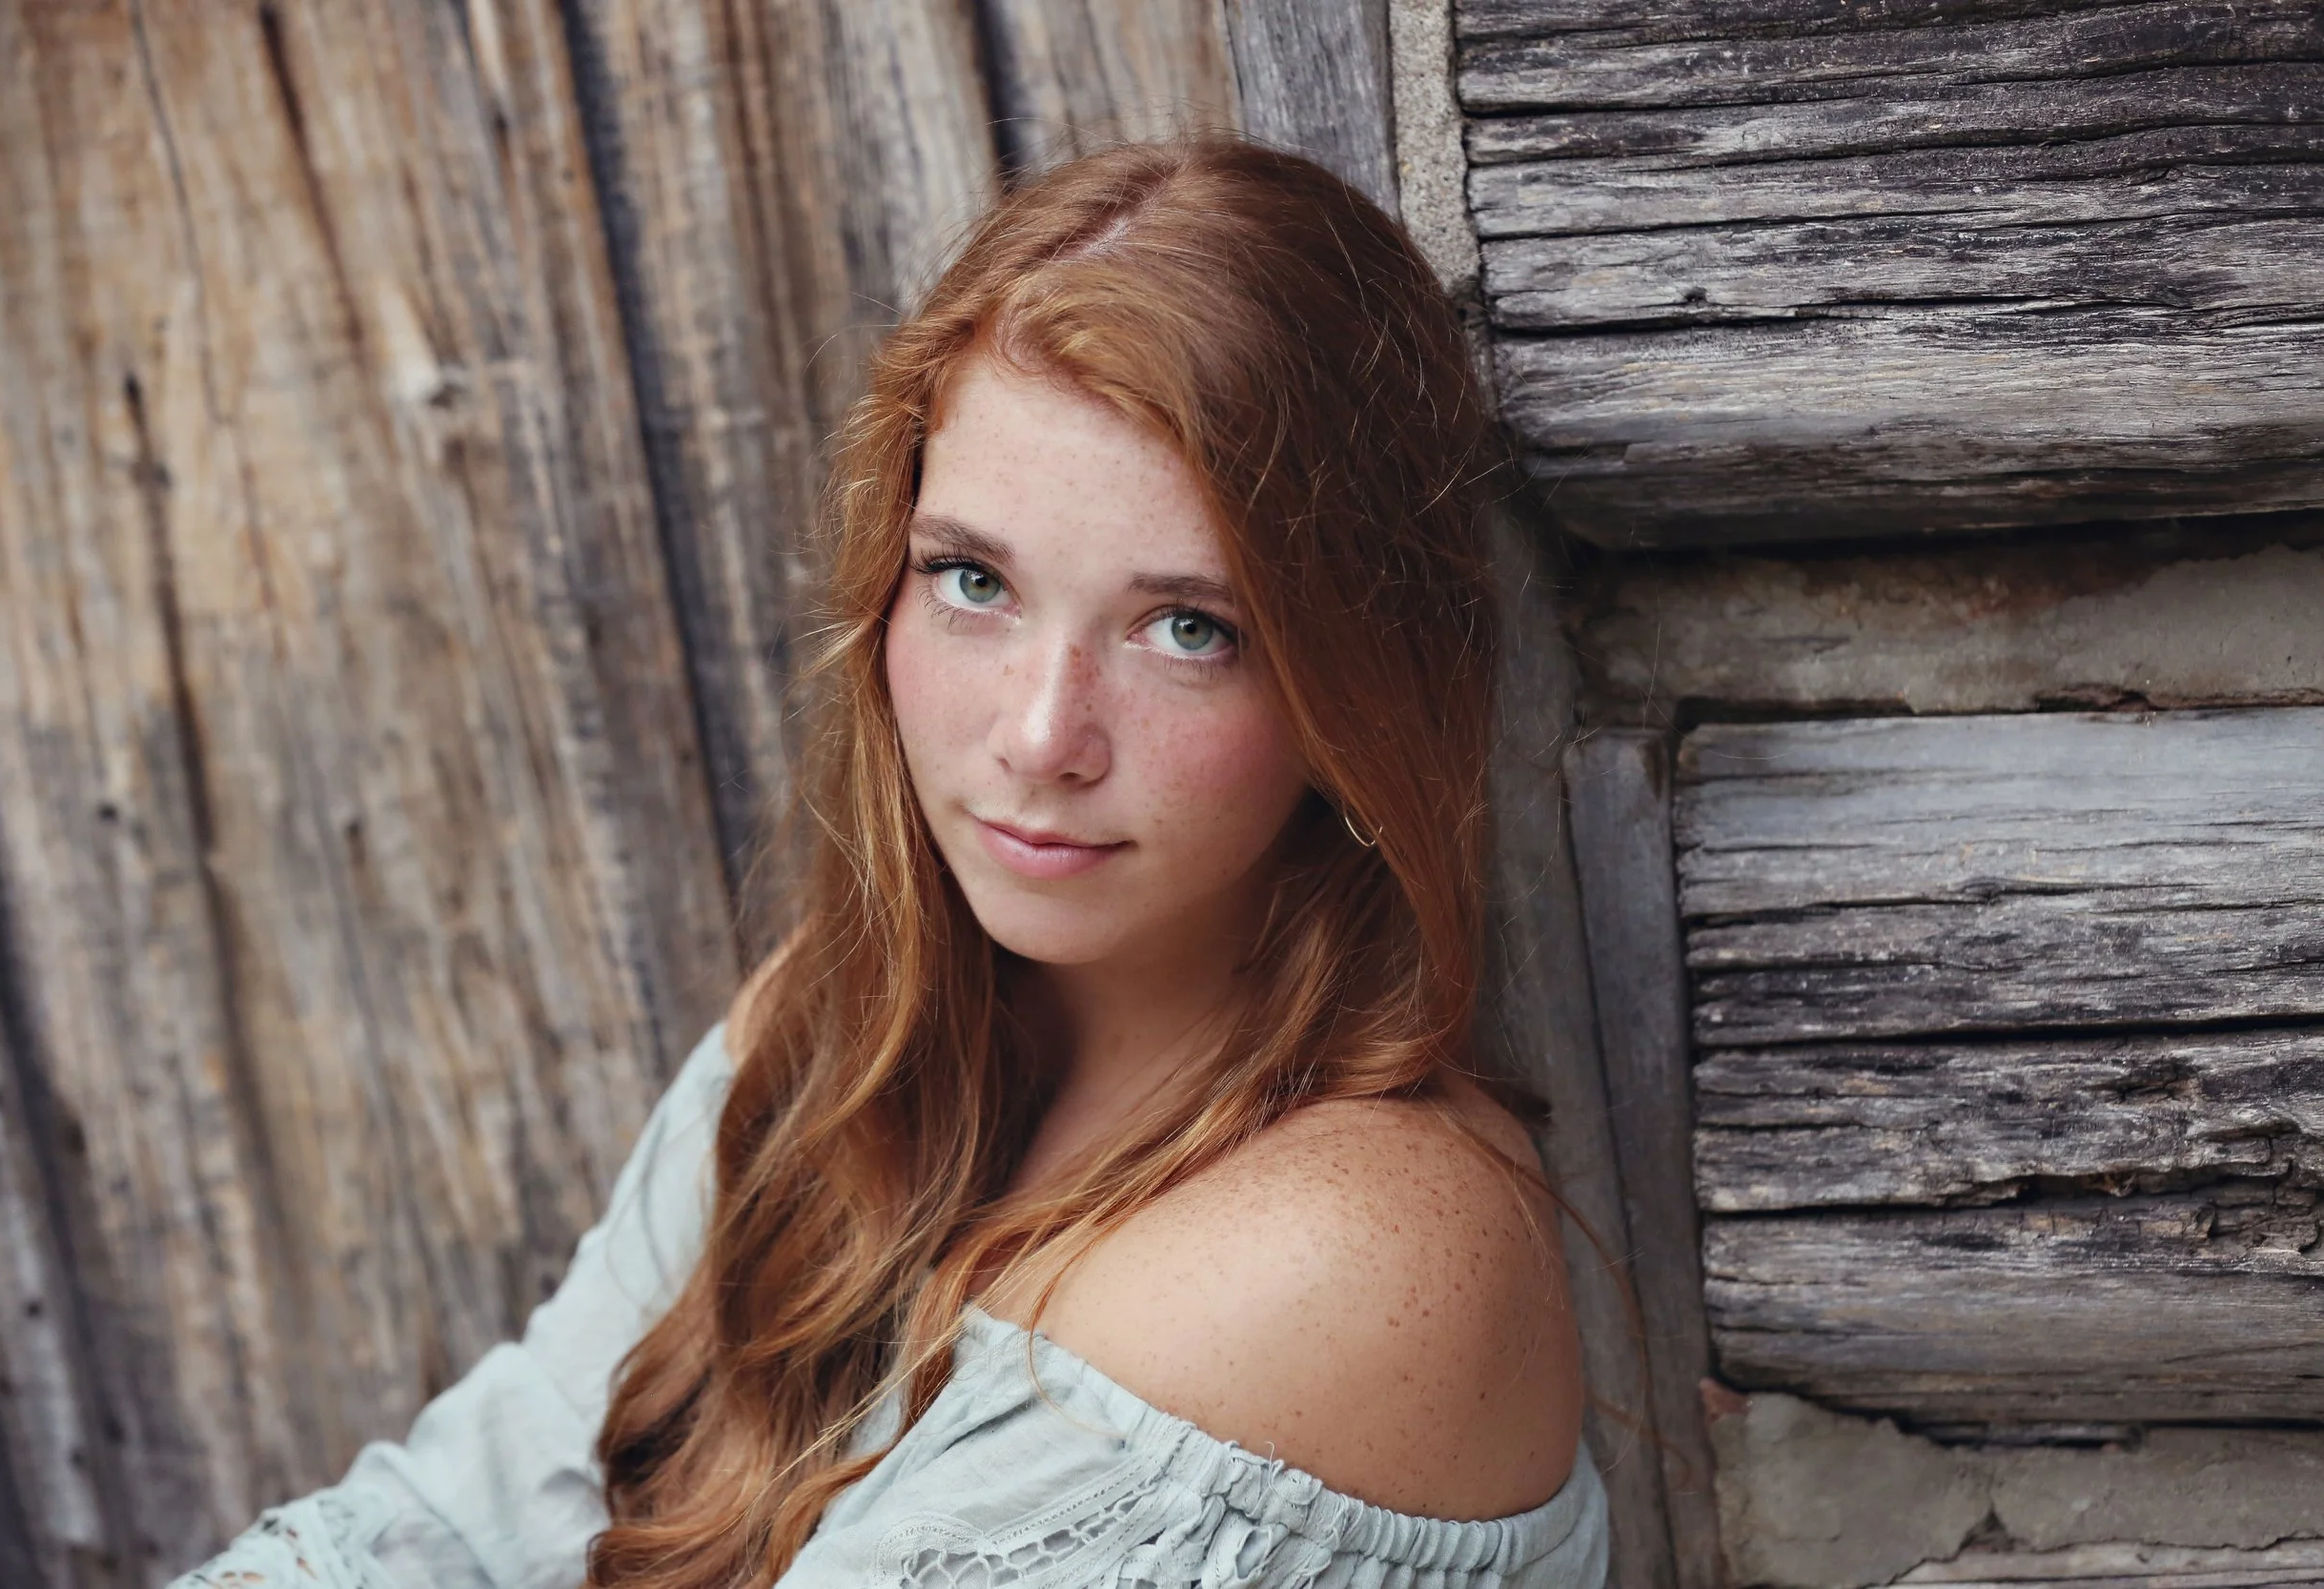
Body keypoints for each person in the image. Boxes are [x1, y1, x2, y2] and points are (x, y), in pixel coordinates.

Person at [172, 136, 1604, 1589]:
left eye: (1188, 627)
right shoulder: (846, 1041)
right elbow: (468, 1519)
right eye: (972, 581)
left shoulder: (1351, 1252)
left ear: (1360, 680)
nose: (1042, 737)